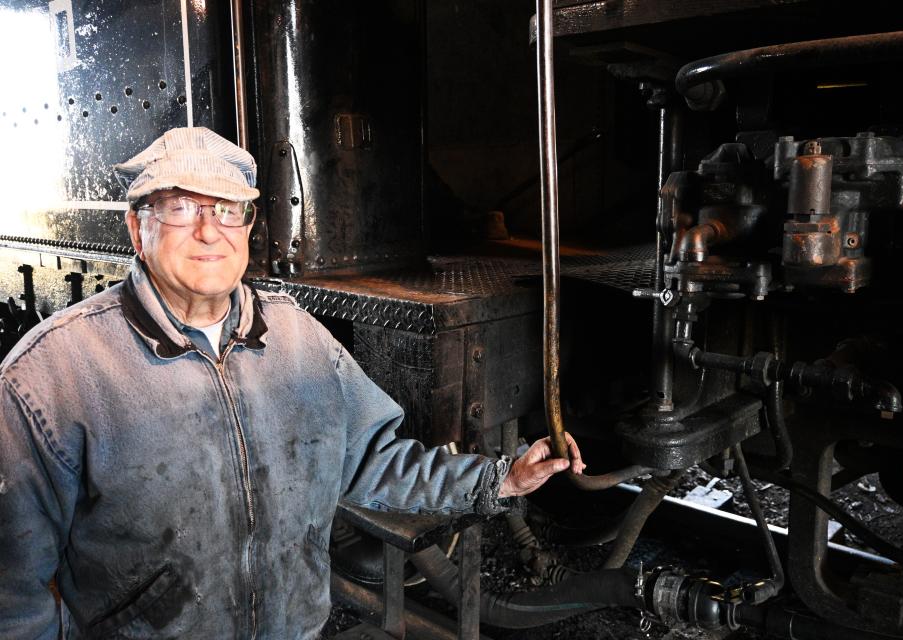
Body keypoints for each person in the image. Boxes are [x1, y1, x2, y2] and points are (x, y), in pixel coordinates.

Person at [0, 127, 584, 639]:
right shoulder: (56, 373)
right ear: (137, 226)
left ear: (249, 225)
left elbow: (372, 462)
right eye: (181, 208)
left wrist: (500, 479)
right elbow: (12, 585)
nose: (210, 230)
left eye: (229, 209)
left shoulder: (297, 340)